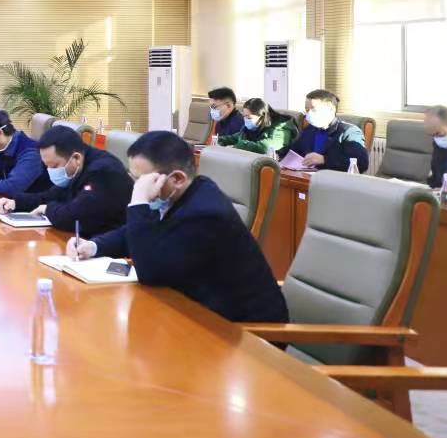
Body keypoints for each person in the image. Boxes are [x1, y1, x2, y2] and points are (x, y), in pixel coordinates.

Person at [68, 130, 288, 324]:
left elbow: (148, 270)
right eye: (134, 178)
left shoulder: (205, 214)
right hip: (193, 310)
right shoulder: (182, 193)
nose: (137, 187)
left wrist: (138, 202)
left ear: (178, 179)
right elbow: (139, 233)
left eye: (143, 180)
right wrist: (94, 246)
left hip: (243, 333)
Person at [0, 125, 131, 237]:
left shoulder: (102, 172)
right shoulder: (77, 166)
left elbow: (77, 216)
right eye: (47, 166)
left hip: (109, 245)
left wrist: (48, 209)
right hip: (82, 239)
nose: (50, 171)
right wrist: (16, 202)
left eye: (54, 166)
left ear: (76, 158)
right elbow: (52, 195)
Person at [287, 89, 369, 173]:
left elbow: (361, 163)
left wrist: (324, 159)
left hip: (334, 178)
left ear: (331, 109)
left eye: (313, 109)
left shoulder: (349, 132)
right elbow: (294, 151)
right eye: (307, 110)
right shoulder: (310, 129)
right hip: (307, 176)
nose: (309, 114)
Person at [217, 97, 299, 155]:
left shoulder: (281, 129)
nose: (245, 120)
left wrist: (239, 146)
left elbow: (265, 147)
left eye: (249, 117)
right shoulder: (250, 128)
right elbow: (235, 137)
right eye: (244, 116)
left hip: (278, 166)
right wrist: (218, 140)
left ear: (262, 116)